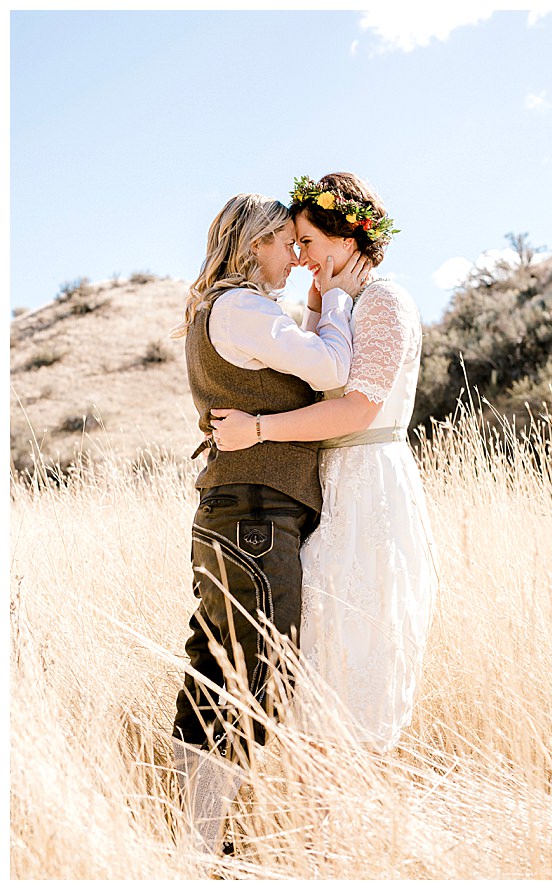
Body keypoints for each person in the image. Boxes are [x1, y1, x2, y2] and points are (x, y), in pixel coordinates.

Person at [170, 191, 370, 851]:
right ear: (256, 244)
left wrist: (312, 308)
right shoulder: (244, 309)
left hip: (232, 512)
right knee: (259, 679)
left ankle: (192, 839)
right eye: (286, 243)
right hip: (255, 515)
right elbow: (334, 367)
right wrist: (336, 298)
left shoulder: (218, 310)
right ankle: (213, 846)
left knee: (216, 673)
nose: (294, 257)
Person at [212, 172, 438, 755]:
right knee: (318, 638)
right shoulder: (343, 305)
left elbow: (357, 410)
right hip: (331, 483)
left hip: (368, 483)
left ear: (343, 239)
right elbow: (313, 378)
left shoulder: (385, 301)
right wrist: (318, 306)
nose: (300, 255)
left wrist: (256, 429)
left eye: (306, 242)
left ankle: (345, 798)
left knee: (354, 634)